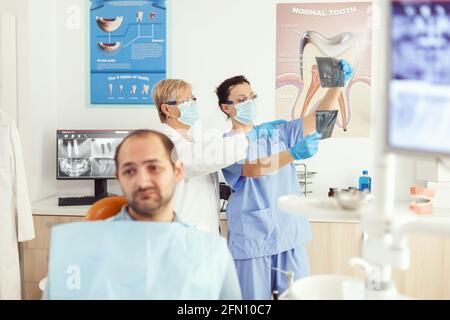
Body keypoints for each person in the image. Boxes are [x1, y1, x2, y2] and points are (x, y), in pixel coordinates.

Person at [46, 130, 242, 299]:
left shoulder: (211, 252)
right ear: (119, 178)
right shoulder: (78, 249)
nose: (143, 181)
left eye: (154, 168)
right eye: (130, 171)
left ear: (177, 171)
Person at [216, 60, 353, 299]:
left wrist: (336, 86)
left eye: (251, 96)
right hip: (252, 241)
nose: (249, 102)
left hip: (289, 233)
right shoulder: (225, 145)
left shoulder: (277, 131)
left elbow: (320, 122)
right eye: (241, 99)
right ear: (226, 107)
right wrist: (292, 153)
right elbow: (254, 169)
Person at [152, 79, 288, 234]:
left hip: (200, 234)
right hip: (181, 235)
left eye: (193, 99)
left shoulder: (192, 141)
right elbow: (199, 159)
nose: (193, 105)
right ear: (167, 109)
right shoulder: (163, 143)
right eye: (186, 101)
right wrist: (247, 135)